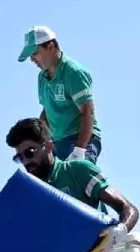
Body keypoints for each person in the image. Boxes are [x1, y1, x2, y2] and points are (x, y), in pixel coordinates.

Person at [6, 116, 140, 252]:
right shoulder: (31, 192)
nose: (26, 161)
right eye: (20, 157)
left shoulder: (78, 172)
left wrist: (118, 232)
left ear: (49, 146)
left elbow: (129, 209)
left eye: (30, 152)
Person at [18, 25, 101, 162]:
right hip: (57, 142)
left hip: (81, 139)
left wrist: (79, 150)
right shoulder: (42, 78)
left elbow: (88, 112)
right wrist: (37, 140)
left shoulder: (74, 73)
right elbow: (47, 110)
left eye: (35, 53)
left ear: (50, 47)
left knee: (75, 178)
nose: (32, 59)